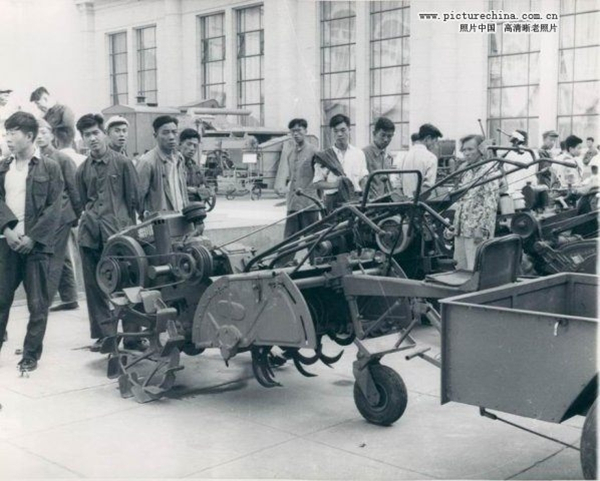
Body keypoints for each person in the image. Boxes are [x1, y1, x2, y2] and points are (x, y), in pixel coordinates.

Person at [0, 112, 64, 371]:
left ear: (29, 136)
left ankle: (30, 356)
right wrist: (7, 230)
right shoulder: (3, 167)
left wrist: (33, 238)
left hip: (37, 248)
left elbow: (55, 207)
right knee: (1, 299)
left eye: (12, 133)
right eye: (6, 133)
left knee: (37, 304)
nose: (7, 138)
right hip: (6, 245)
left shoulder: (49, 167)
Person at [75, 114, 140, 352]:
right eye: (87, 135)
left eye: (95, 133)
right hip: (91, 236)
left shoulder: (123, 164)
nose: (92, 139)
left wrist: (130, 232)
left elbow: (135, 199)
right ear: (82, 139)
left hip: (120, 236)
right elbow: (83, 202)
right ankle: (106, 336)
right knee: (95, 287)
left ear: (103, 134)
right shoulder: (82, 170)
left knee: (128, 283)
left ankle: (133, 335)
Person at [36, 119, 82, 311]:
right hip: (47, 217)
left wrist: (77, 215)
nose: (40, 136)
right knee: (60, 256)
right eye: (37, 133)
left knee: (53, 256)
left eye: (44, 132)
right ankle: (69, 297)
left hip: (62, 214)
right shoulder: (36, 159)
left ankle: (44, 301)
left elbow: (74, 189)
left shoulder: (62, 159)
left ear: (52, 135)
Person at [448, 134, 501, 270]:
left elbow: (491, 203)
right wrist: (454, 225)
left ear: (481, 150)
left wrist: (482, 229)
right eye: (464, 150)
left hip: (476, 231)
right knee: (459, 268)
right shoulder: (467, 172)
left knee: (475, 269)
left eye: (470, 149)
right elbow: (462, 201)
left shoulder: (489, 172)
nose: (466, 153)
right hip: (461, 229)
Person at [312, 114, 368, 212]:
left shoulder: (359, 153)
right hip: (333, 202)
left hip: (355, 201)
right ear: (332, 133)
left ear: (349, 130)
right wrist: (335, 184)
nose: (339, 134)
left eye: (343, 130)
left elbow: (363, 178)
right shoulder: (325, 156)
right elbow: (317, 183)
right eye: (336, 131)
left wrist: (364, 195)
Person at [137, 116, 188, 218]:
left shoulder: (179, 158)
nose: (171, 137)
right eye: (165, 133)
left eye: (174, 132)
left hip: (182, 217)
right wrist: (147, 216)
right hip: (161, 221)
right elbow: (137, 196)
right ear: (155, 135)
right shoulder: (147, 162)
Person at [284, 118, 320, 240]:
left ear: (305, 131)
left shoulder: (314, 151)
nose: (295, 134)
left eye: (299, 130)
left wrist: (317, 200)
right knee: (289, 241)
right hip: (293, 205)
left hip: (309, 205)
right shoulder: (290, 153)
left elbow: (320, 178)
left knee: (313, 241)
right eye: (292, 131)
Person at [396, 123, 443, 198]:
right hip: (420, 202)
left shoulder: (403, 156)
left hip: (404, 201)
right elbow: (427, 188)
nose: (435, 146)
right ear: (428, 138)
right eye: (435, 141)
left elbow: (397, 183)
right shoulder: (431, 158)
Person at [363, 117, 396, 199]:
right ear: (374, 134)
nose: (386, 139)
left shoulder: (388, 157)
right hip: (371, 203)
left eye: (389, 136)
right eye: (383, 135)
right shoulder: (363, 154)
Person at [501, 129, 537, 195]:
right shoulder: (533, 153)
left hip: (513, 192)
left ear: (516, 141)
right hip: (532, 191)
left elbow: (503, 174)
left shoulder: (509, 155)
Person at [179, 128, 205, 202]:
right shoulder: (173, 165)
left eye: (195, 146)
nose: (192, 149)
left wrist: (195, 191)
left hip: (195, 207)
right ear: (180, 144)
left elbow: (210, 191)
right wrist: (200, 190)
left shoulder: (195, 168)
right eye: (189, 144)